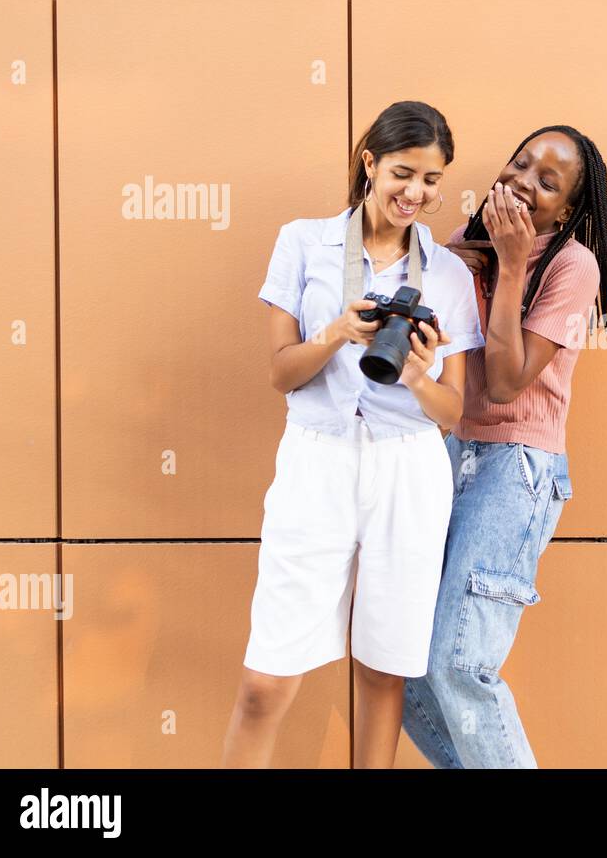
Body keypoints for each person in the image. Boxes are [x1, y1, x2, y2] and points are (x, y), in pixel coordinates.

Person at [222, 101, 484, 768]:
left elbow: (452, 413)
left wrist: (421, 376)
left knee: (383, 670)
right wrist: (338, 331)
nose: (416, 193)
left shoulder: (448, 273)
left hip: (409, 468)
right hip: (317, 460)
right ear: (369, 163)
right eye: (403, 172)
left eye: (432, 180)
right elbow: (282, 374)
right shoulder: (303, 242)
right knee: (264, 681)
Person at [401, 125, 607, 768]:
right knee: (409, 669)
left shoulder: (571, 266)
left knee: (457, 662)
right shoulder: (456, 253)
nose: (525, 182)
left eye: (547, 182)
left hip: (516, 470)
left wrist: (512, 265)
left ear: (569, 210)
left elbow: (502, 384)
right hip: (449, 462)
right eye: (521, 164)